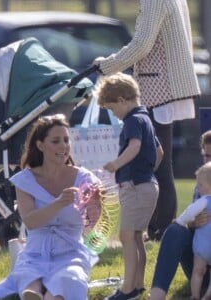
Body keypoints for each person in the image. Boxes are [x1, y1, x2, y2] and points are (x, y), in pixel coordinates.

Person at [93, 0, 201, 240]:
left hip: (159, 88)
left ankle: (161, 229)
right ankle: (158, 227)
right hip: (168, 86)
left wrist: (107, 66)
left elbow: (142, 45)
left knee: (156, 162)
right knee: (158, 160)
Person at [0, 113, 101, 300]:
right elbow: (31, 222)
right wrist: (58, 203)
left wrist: (95, 205)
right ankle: (34, 293)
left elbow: (93, 228)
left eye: (66, 140)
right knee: (30, 278)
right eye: (56, 141)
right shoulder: (25, 180)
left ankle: (51, 296)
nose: (64, 146)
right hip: (35, 252)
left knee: (69, 279)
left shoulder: (85, 179)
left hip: (70, 251)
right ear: (40, 145)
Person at [95, 72, 163, 300]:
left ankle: (127, 290)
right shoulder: (146, 119)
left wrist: (117, 164)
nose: (114, 114)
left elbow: (134, 146)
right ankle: (138, 284)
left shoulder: (133, 121)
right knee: (135, 237)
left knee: (126, 236)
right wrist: (147, 172)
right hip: (146, 185)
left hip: (136, 186)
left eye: (112, 109)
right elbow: (159, 152)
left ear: (122, 100)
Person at [149, 130, 211, 300]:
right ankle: (156, 295)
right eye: (206, 156)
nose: (208, 161)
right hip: (200, 267)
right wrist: (193, 223)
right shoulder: (202, 187)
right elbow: (189, 221)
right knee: (175, 230)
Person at [174, 162, 211, 300]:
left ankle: (195, 295)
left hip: (202, 247)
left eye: (200, 185)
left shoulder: (204, 200)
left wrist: (178, 221)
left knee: (198, 271)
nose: (198, 188)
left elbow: (190, 212)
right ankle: (207, 294)